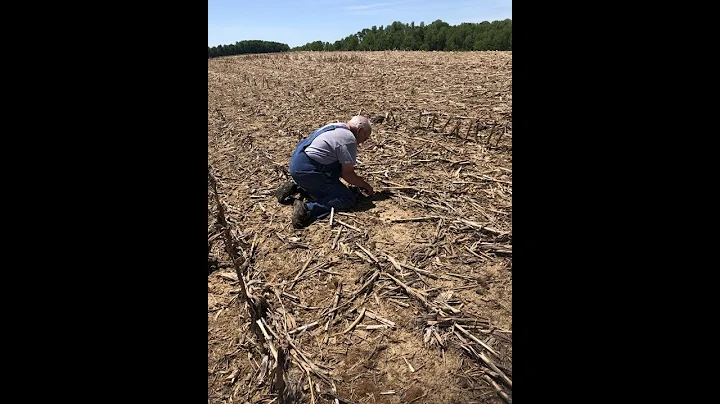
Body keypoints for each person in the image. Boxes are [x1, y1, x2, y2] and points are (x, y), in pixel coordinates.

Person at [275, 116, 375, 228]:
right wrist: (365, 185)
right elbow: (348, 175)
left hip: (298, 162)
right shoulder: (348, 139)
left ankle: (297, 186)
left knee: (336, 167)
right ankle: (307, 210)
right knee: (346, 198)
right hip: (308, 169)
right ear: (360, 130)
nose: (362, 143)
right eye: (365, 138)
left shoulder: (335, 126)